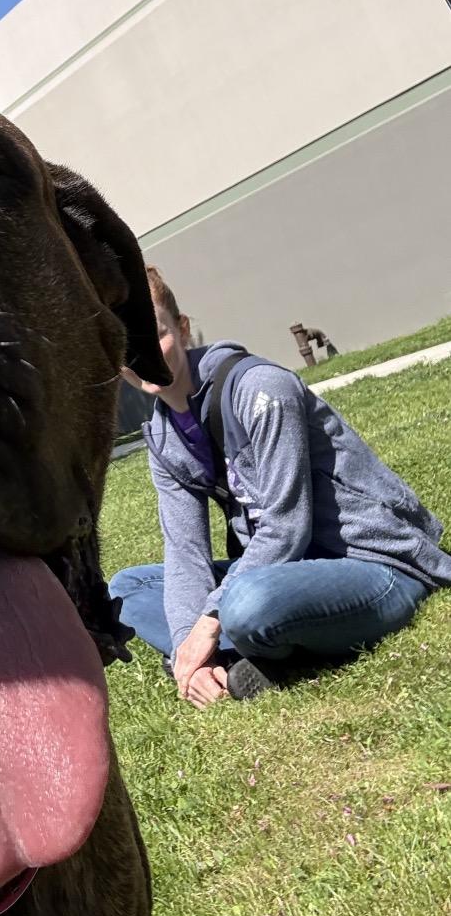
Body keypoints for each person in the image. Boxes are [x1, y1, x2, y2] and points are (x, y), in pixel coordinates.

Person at [108, 267, 451, 708]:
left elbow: (287, 528)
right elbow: (184, 552)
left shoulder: (259, 388)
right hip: (285, 572)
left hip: (372, 562)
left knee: (246, 603)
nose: (144, 356)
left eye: (154, 334)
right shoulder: (163, 436)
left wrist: (209, 622)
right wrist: (185, 652)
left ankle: (253, 645)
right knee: (129, 588)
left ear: (184, 327)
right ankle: (233, 661)